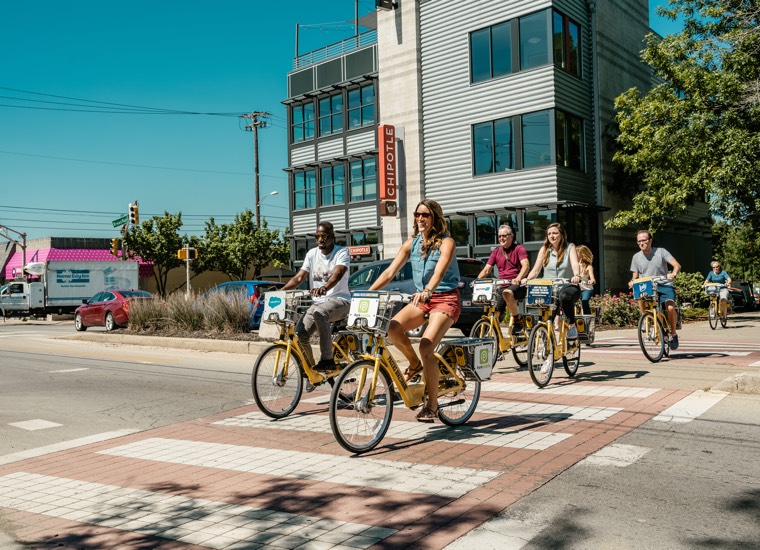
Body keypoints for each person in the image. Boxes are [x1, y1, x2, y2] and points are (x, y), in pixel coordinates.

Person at [369, 199, 460, 423]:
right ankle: (414, 364)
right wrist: (368, 293)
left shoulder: (447, 242)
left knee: (426, 345)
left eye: (425, 215)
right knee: (392, 328)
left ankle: (432, 405)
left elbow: (441, 269)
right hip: (422, 299)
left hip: (444, 298)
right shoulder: (412, 243)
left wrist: (429, 289)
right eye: (417, 214)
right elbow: (390, 272)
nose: (420, 218)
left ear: (435, 218)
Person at [281, 221, 351, 370]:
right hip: (317, 303)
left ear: (332, 237)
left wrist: (324, 288)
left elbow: (337, 274)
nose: (320, 239)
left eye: (324, 236)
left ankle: (327, 359)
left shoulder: (341, 252)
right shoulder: (312, 254)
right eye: (317, 236)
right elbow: (299, 278)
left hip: (341, 301)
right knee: (300, 335)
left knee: (320, 313)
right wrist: (281, 291)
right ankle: (311, 371)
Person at [522, 223, 582, 340]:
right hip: (549, 288)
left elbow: (575, 264)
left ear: (561, 235)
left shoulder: (570, 247)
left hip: (568, 285)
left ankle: (572, 325)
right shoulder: (544, 250)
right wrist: (528, 279)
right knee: (545, 317)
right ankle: (546, 341)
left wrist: (576, 275)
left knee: (564, 297)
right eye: (549, 234)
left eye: (555, 233)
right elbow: (536, 270)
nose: (552, 236)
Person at [629, 229, 681, 350]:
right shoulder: (636, 257)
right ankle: (644, 318)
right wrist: (632, 281)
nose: (642, 243)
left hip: (663, 283)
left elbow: (677, 265)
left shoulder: (661, 252)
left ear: (650, 240)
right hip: (647, 285)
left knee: (670, 307)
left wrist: (673, 273)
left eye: (644, 240)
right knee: (639, 294)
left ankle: (673, 334)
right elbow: (635, 275)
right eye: (639, 241)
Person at [476, 224, 530, 333]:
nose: (501, 238)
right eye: (500, 236)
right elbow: (487, 270)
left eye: (504, 236)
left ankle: (517, 320)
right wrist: (477, 280)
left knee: (507, 293)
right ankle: (497, 341)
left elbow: (526, 265)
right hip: (502, 286)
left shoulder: (519, 249)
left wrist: (518, 278)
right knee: (494, 313)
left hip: (517, 285)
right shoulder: (496, 251)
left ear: (511, 236)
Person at [576, 245, 597, 315]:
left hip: (587, 289)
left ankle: (588, 319)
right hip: (577, 288)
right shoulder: (574, 265)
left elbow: (592, 278)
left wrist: (592, 281)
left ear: (582, 254)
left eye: (577, 253)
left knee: (584, 301)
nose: (575, 254)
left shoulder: (588, 266)